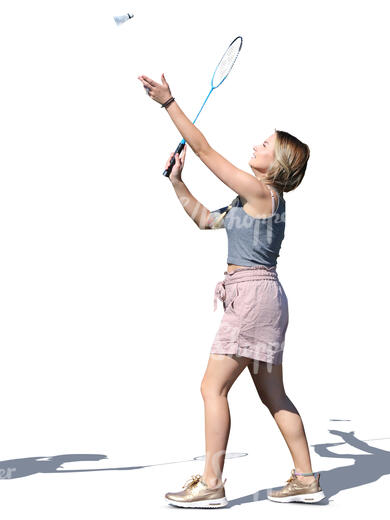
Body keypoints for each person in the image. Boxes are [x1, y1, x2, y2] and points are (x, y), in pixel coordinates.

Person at [138, 74, 325, 508]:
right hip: (262, 298)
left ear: (275, 165)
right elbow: (205, 220)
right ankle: (305, 478)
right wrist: (178, 184)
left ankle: (212, 483)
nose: (257, 145)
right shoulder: (250, 201)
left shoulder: (260, 192)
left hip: (253, 298)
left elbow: (203, 149)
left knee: (212, 388)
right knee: (272, 393)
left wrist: (169, 104)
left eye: (265, 144)